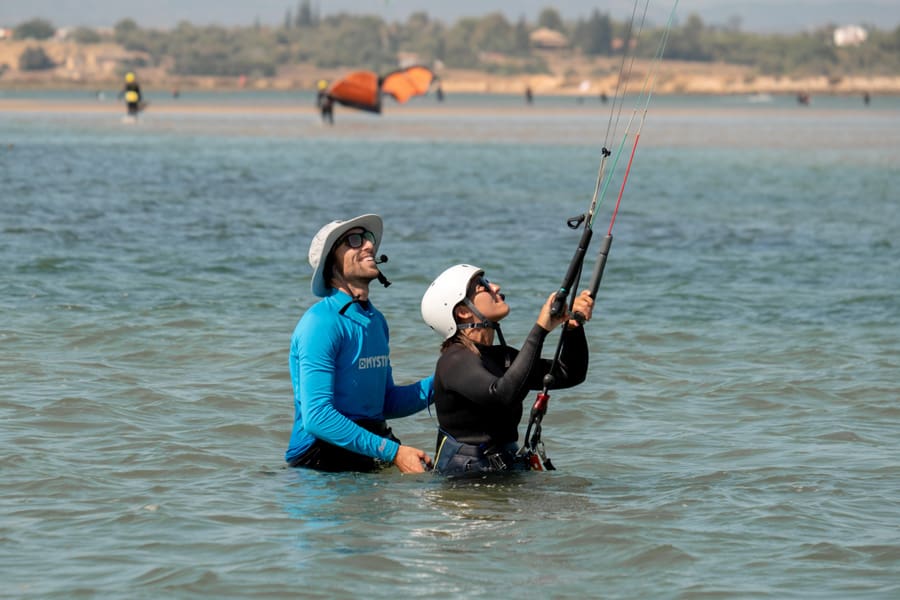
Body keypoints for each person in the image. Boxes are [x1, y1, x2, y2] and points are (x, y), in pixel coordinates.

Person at [285, 214, 434, 473]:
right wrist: (393, 452)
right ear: (331, 262)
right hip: (319, 458)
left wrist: (444, 383)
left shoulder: (376, 321)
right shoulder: (321, 323)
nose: (368, 246)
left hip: (366, 446)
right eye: (354, 240)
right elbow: (317, 417)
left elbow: (384, 403)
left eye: (368, 238)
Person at [420, 264, 594, 476]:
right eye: (482, 285)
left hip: (505, 470)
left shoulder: (502, 357)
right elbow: (501, 394)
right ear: (463, 312)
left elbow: (570, 373)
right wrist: (540, 329)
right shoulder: (454, 360)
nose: (495, 287)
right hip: (466, 483)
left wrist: (572, 327)